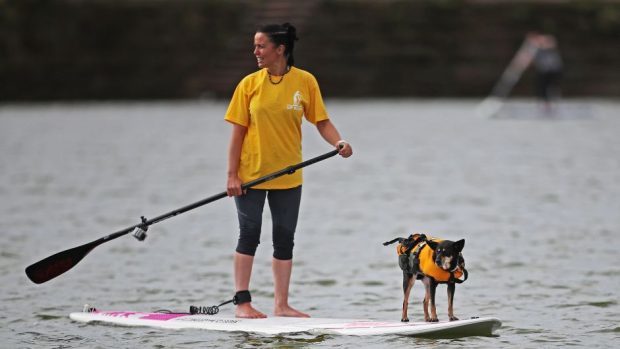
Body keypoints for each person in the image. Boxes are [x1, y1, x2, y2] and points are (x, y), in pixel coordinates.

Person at [224, 23, 353, 319]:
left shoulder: (305, 81)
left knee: (284, 238)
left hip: (289, 175)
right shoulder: (248, 84)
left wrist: (339, 141)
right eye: (255, 46)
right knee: (250, 234)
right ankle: (243, 303)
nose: (255, 52)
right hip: (251, 175)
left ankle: (281, 305)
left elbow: (321, 121)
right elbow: (237, 133)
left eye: (261, 46)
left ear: (280, 49)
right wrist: (232, 175)